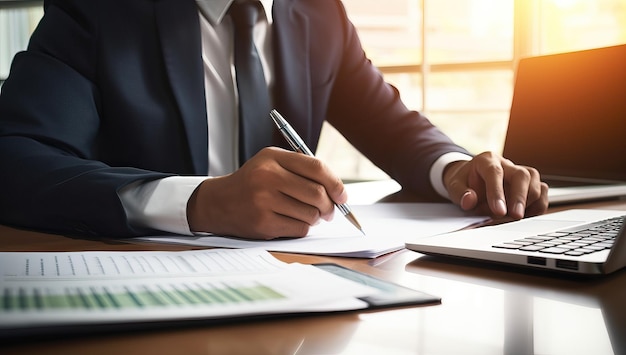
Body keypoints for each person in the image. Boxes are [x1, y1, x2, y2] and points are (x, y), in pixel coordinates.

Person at [0, 0, 548, 240]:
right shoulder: (98, 10)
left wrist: (455, 170)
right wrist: (202, 201)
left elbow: (392, 124)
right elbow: (16, 158)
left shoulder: (317, 12)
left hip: (300, 294)